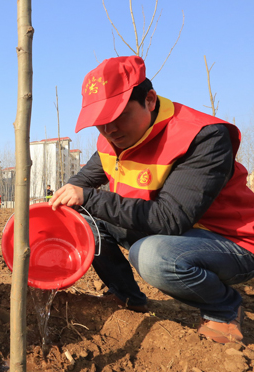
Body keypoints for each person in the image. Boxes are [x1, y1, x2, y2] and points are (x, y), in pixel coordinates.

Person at [49, 55, 254, 344]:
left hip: (231, 243)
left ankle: (223, 309)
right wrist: (51, 213)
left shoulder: (202, 137)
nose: (109, 130)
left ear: (149, 99)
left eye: (118, 116)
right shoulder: (112, 140)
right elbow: (79, 185)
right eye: (100, 123)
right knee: (84, 220)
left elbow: (170, 219)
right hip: (173, 233)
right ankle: (127, 297)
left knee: (152, 256)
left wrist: (90, 197)